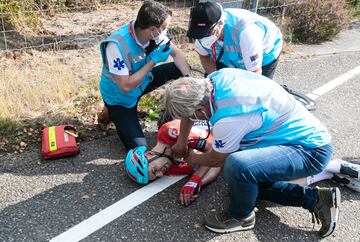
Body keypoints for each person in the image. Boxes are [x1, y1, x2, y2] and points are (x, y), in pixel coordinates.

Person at [163, 68, 339, 237]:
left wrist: (192, 158)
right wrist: (182, 141)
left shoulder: (229, 118)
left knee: (236, 165)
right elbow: (191, 113)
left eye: (193, 116)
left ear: (200, 109)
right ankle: (317, 199)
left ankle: (240, 217)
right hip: (298, 139)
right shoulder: (215, 80)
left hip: (310, 151)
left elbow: (217, 159)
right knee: (244, 189)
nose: (192, 120)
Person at [97, 0, 191, 150]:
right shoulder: (116, 45)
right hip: (120, 97)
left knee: (179, 70)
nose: (166, 31)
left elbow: (178, 55)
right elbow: (125, 86)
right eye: (165, 27)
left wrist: (189, 80)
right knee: (139, 147)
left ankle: (167, 118)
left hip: (143, 81)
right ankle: (111, 112)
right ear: (153, 29)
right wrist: (153, 62)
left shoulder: (154, 34)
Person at [124, 119, 221, 206]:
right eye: (156, 177)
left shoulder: (168, 132)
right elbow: (217, 164)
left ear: (149, 154)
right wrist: (197, 185)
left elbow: (213, 150)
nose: (161, 174)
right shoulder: (171, 170)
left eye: (154, 170)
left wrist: (195, 179)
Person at [187, 2, 282, 79]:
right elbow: (204, 57)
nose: (203, 37)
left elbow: (255, 77)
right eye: (198, 33)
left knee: (259, 93)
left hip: (266, 50)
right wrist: (216, 80)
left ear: (220, 23)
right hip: (230, 50)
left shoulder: (246, 33)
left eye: (207, 33)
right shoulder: (201, 34)